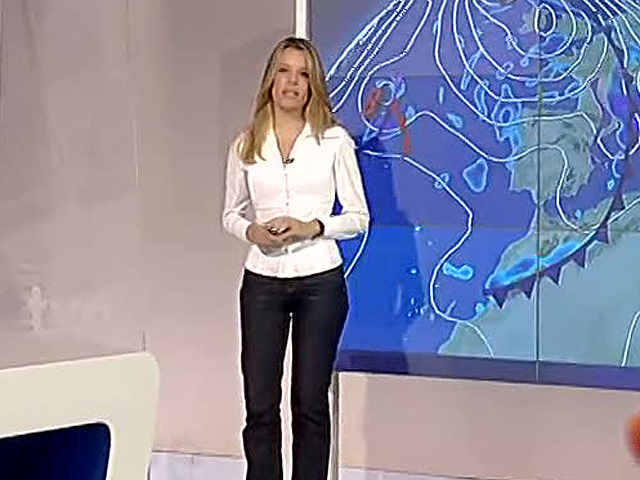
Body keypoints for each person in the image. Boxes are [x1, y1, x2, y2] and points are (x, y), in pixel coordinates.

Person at [222, 36, 369, 480]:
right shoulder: (246, 145)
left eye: (303, 74)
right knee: (260, 405)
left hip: (320, 281)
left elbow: (359, 217)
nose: (292, 82)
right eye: (284, 71)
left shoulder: (334, 141)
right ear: (271, 79)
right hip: (262, 282)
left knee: (310, 404)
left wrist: (312, 227)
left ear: (313, 84)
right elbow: (230, 214)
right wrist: (251, 231)